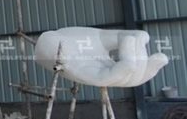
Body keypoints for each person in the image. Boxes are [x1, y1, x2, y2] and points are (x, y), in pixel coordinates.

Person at [34, 27, 168, 87]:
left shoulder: (90, 40)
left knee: (127, 68)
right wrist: (54, 49)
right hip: (64, 50)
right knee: (126, 69)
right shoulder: (57, 41)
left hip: (66, 46)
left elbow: (103, 38)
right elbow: (49, 43)